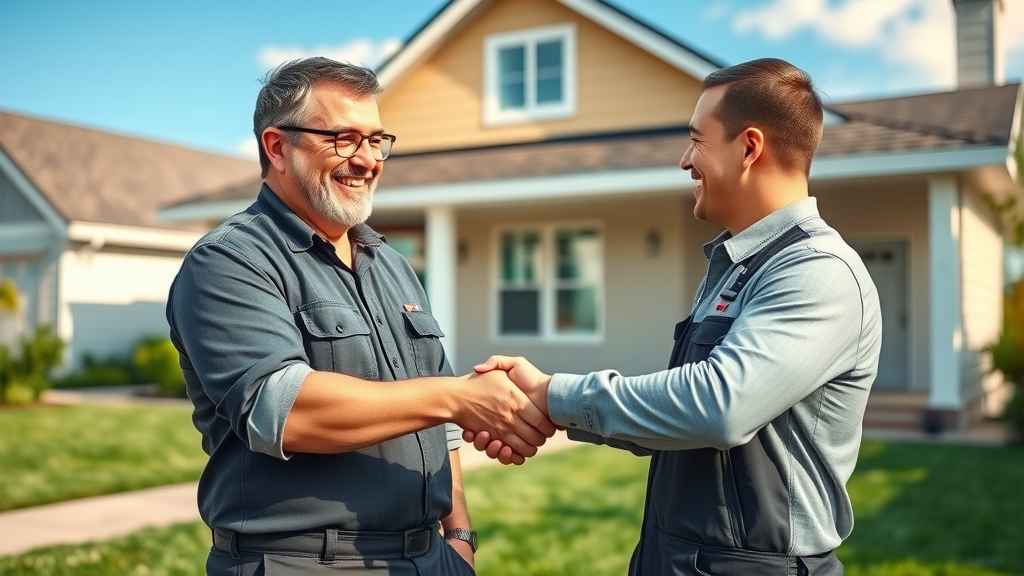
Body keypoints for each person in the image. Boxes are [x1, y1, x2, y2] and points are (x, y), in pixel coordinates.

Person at [467, 58, 883, 576]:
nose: (686, 160)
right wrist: (556, 411)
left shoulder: (817, 272)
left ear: (750, 148)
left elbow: (719, 407)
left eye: (697, 140)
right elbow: (684, 420)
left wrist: (553, 393)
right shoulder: (738, 268)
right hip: (676, 555)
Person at [166, 57, 554, 576]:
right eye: (344, 138)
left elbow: (442, 420)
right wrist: (459, 397)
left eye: (376, 140)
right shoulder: (229, 262)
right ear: (278, 147)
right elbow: (285, 412)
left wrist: (458, 535)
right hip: (305, 562)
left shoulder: (392, 265)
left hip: (430, 558)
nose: (367, 159)